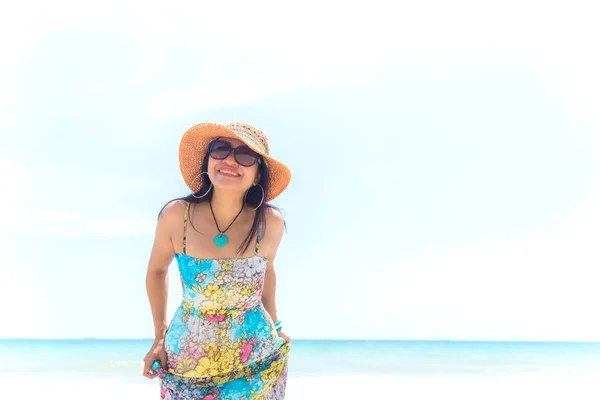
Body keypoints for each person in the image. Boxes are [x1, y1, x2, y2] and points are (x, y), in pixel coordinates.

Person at [142, 122, 292, 399]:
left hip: (256, 356)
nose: (230, 160)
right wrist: (159, 337)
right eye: (220, 149)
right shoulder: (177, 216)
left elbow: (266, 274)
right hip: (189, 357)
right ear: (207, 159)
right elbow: (157, 271)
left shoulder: (269, 223)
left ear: (258, 173)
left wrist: (277, 325)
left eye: (245, 155)